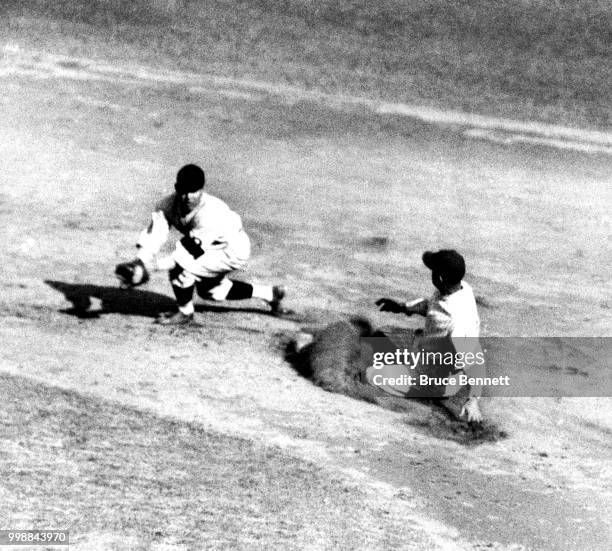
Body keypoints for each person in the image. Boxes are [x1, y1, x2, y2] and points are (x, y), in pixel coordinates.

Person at [116, 164, 285, 324]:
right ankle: (270, 294)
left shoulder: (211, 213)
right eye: (183, 190)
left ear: (201, 190)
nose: (187, 196)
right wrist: (139, 262)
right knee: (212, 292)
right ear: (176, 187)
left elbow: (184, 254)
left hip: (231, 249)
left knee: (181, 269)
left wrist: (146, 270)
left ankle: (185, 313)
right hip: (210, 248)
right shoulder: (166, 205)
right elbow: (155, 235)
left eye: (193, 191)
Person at [372, 249, 484, 423]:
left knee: (373, 375)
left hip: (436, 377)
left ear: (439, 278)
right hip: (427, 347)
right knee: (379, 335)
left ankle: (428, 396)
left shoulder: (457, 325)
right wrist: (403, 307)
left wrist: (473, 401)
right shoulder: (460, 287)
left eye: (433, 270)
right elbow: (433, 306)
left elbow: (475, 361)